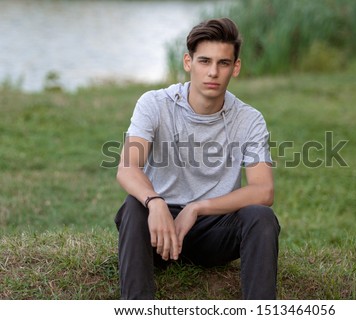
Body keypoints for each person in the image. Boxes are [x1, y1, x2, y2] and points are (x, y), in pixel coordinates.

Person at [114, 17, 280, 300]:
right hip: (158, 231)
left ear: (235, 67)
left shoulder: (249, 119)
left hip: (213, 231)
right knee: (134, 206)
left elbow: (263, 191)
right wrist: (155, 203)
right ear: (188, 62)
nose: (213, 72)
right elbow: (127, 167)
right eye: (204, 61)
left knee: (261, 217)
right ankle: (138, 308)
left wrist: (197, 208)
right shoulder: (154, 103)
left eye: (223, 63)